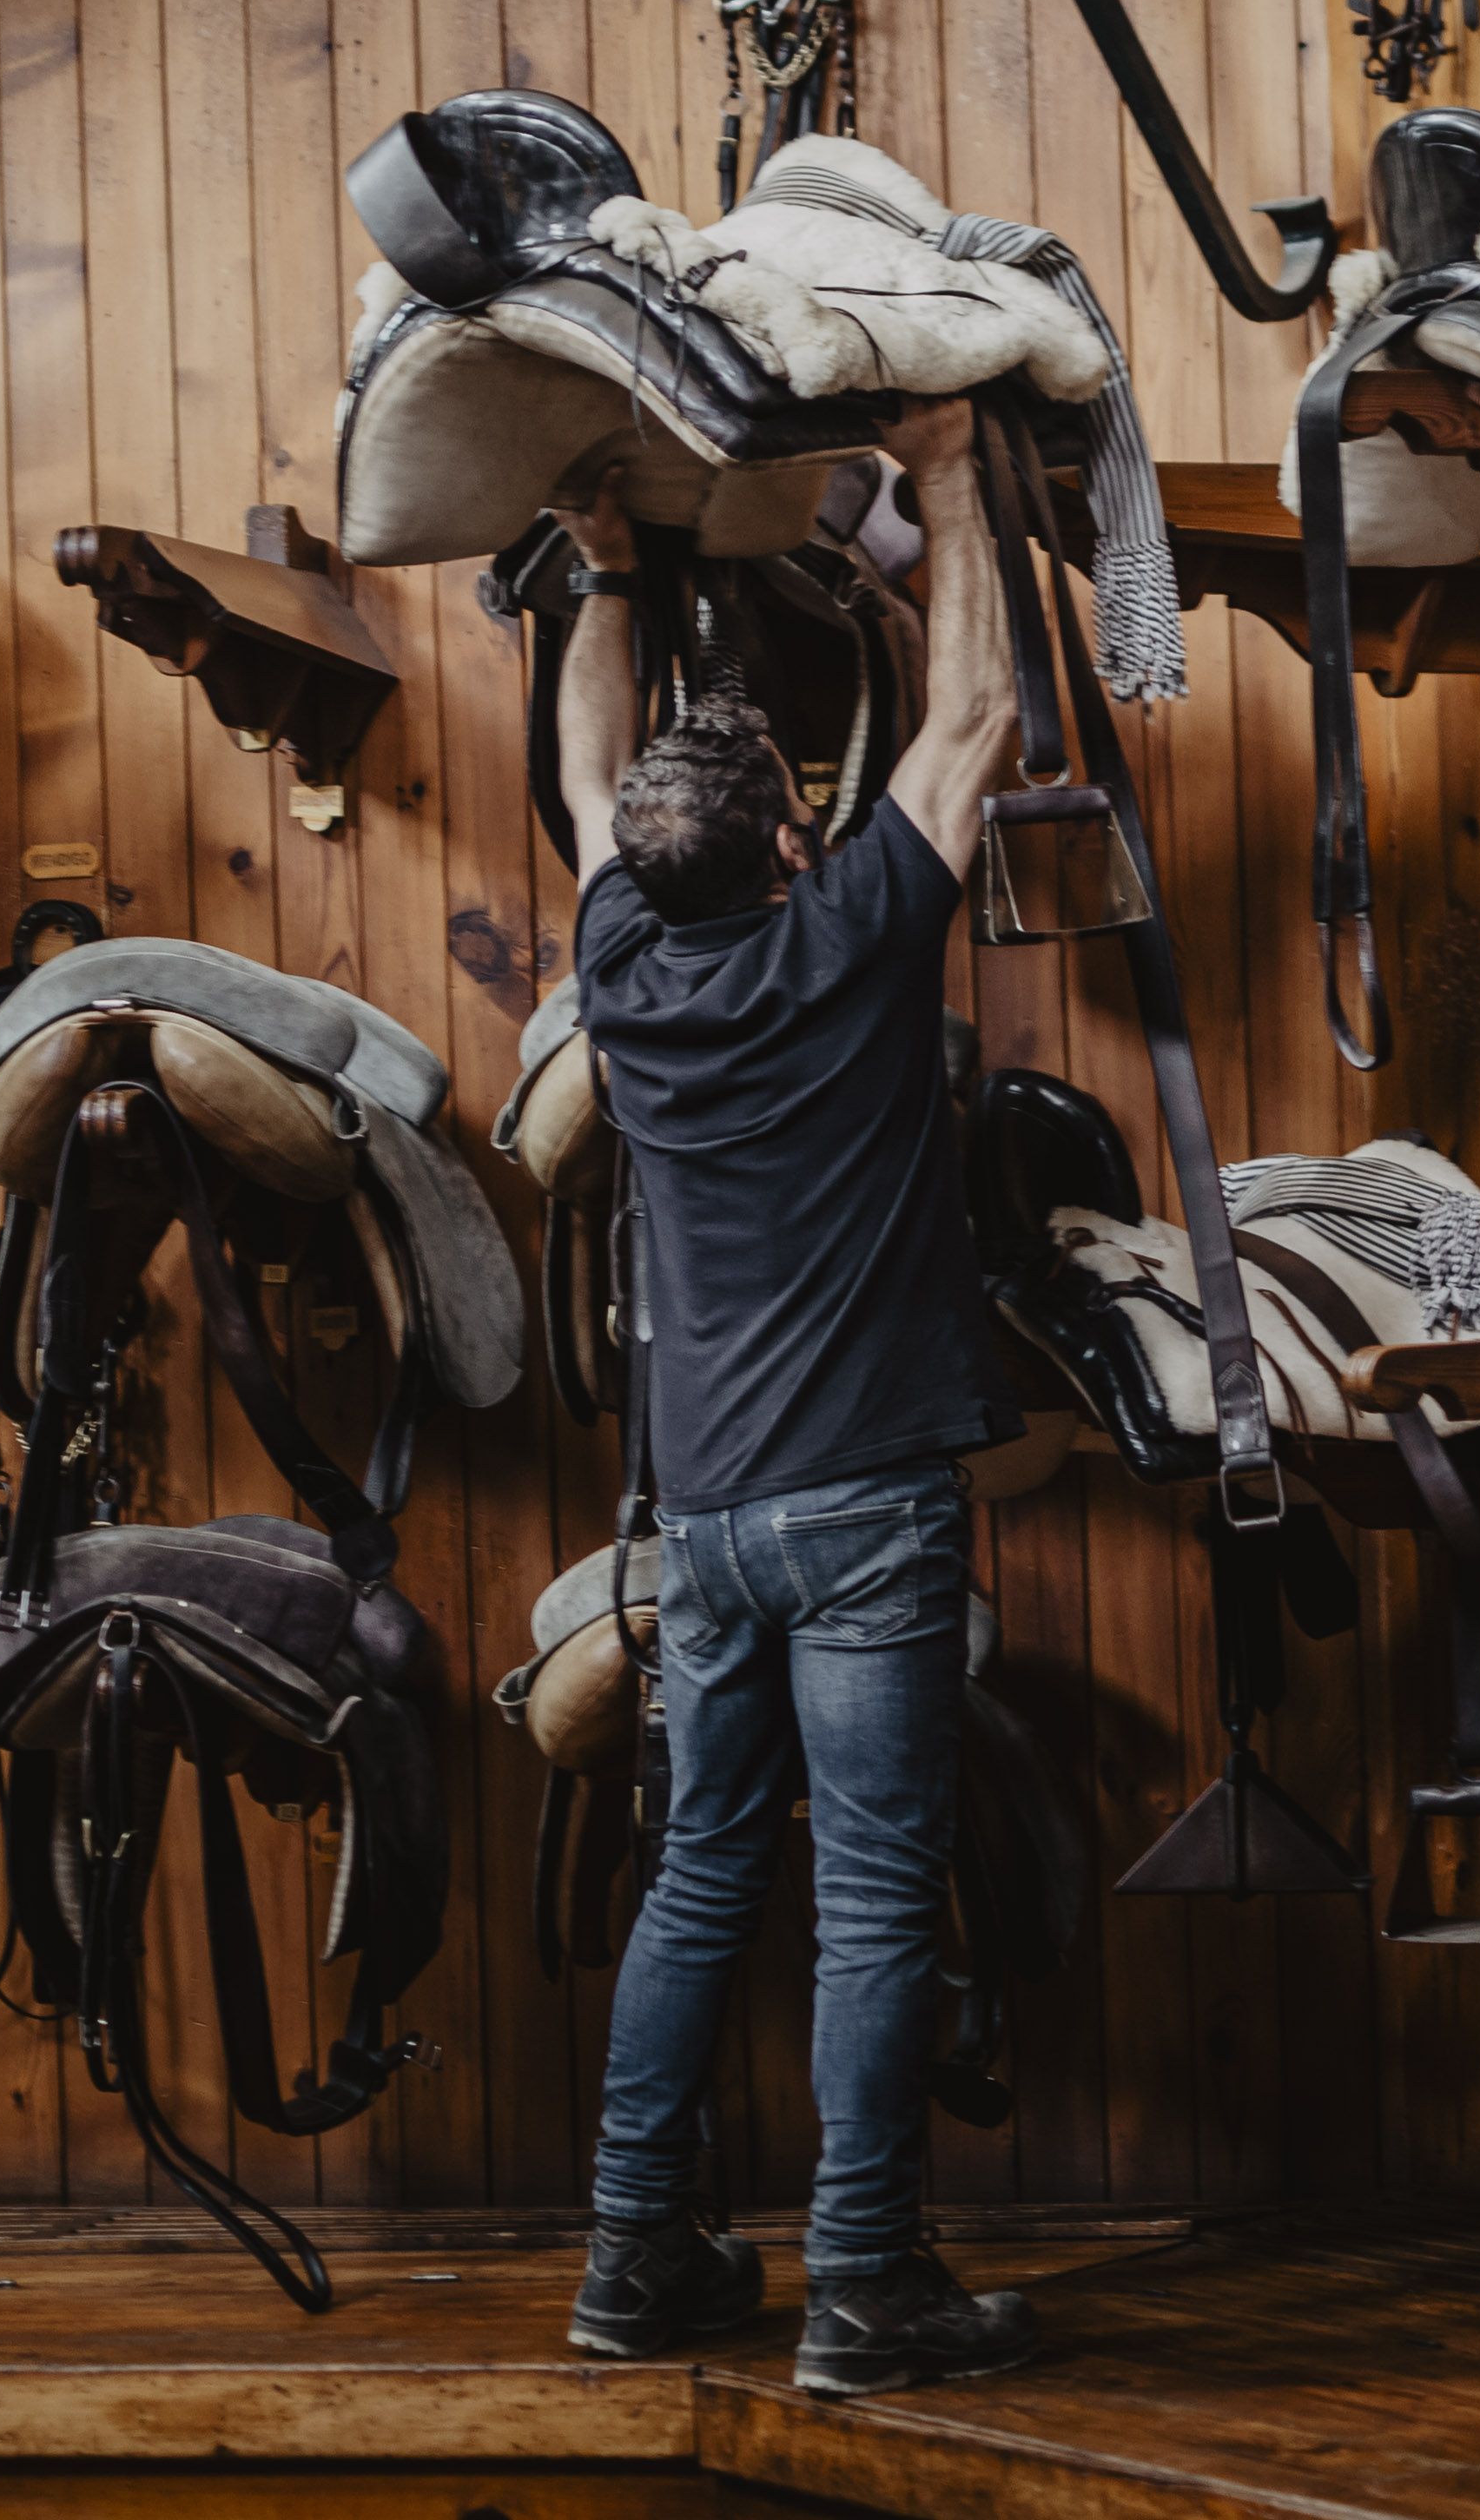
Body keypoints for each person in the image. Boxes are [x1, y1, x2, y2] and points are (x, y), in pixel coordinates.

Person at [553, 396, 1041, 2399]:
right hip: (858, 1514)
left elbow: (585, 775)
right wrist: (950, 475)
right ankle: (863, 2284)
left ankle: (632, 2255)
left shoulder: (619, 962)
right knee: (869, 1897)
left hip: (706, 1523)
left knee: (698, 1872)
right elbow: (978, 718)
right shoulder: (849, 934)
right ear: (786, 843)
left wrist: (605, 573)